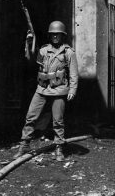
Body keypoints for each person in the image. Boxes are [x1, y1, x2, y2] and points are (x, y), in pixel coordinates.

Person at [13, 21, 78, 161]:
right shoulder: (43, 50)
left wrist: (73, 89)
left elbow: (73, 73)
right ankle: (24, 145)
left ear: (62, 36)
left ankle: (59, 148)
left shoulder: (68, 52)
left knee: (58, 121)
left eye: (58, 35)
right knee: (31, 116)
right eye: (53, 34)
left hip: (59, 89)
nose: (55, 37)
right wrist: (29, 43)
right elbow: (31, 62)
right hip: (42, 88)